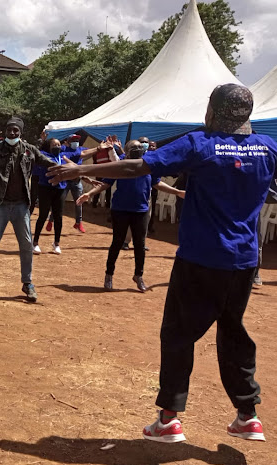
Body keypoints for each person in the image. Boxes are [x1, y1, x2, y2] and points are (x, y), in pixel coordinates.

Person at [47, 83, 277, 444]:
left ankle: (169, 419)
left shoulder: (200, 144)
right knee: (233, 331)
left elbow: (140, 165)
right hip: (245, 262)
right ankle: (248, 415)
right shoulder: (268, 147)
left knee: (178, 334)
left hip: (201, 257)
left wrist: (78, 171)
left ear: (212, 111)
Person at [76, 140, 185, 292]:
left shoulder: (148, 165)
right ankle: (109, 274)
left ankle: (138, 275)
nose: (138, 149)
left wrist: (177, 192)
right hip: (120, 209)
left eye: (140, 147)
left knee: (139, 244)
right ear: (126, 150)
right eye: (134, 147)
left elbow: (157, 184)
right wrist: (89, 193)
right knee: (117, 242)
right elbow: (106, 184)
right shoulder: (120, 165)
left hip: (140, 210)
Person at [0, 118, 55, 301]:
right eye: (9, 130)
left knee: (26, 245)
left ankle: (27, 283)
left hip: (22, 206)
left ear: (21, 132)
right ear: (5, 131)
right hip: (0, 204)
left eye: (15, 131)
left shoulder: (29, 150)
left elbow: (48, 162)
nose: (12, 134)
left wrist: (78, 171)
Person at [32, 138, 69, 255]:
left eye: (58, 144)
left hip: (60, 189)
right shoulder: (43, 155)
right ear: (48, 146)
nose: (57, 146)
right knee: (43, 215)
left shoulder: (63, 157)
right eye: (54, 145)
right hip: (45, 188)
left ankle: (56, 243)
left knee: (58, 216)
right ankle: (35, 243)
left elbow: (81, 153)